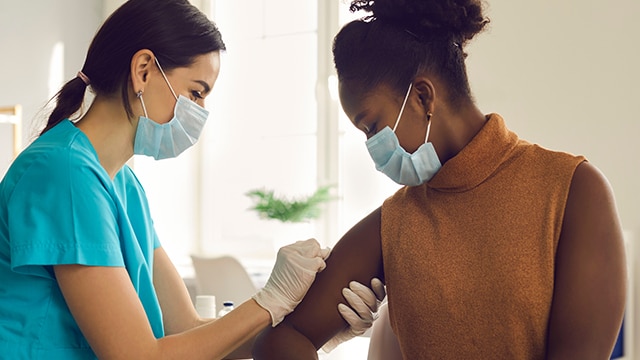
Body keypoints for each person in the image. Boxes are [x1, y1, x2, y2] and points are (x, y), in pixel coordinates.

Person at [0, 0, 385, 358]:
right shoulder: (64, 173)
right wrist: (270, 299)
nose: (200, 111)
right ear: (144, 70)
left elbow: (186, 329)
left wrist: (316, 331)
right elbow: (138, 355)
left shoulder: (123, 186)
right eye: (196, 93)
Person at [252, 0, 627, 359]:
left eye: (372, 128)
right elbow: (283, 338)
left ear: (422, 96)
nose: (372, 149)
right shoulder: (396, 221)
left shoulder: (573, 191)